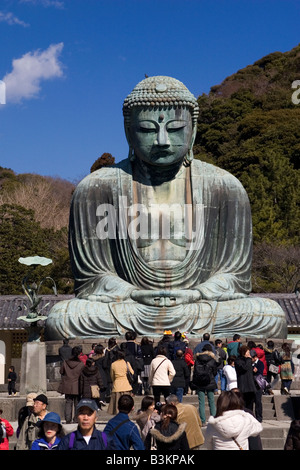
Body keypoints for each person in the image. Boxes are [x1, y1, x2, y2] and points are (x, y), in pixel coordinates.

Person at [44, 76, 287, 342]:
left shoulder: (225, 187)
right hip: (130, 306)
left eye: (175, 128)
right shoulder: (96, 188)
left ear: (192, 131)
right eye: (148, 130)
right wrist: (132, 293)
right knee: (64, 316)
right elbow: (92, 278)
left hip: (199, 305)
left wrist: (197, 293)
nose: (162, 140)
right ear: (129, 131)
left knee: (268, 315)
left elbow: (235, 277)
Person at [57, 345, 84, 424]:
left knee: (68, 402)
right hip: (77, 385)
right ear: (79, 354)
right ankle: (76, 418)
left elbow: (61, 372)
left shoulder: (65, 362)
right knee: (77, 403)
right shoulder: (81, 364)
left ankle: (68, 419)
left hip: (67, 385)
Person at [192, 343, 217, 425]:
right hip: (209, 381)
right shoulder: (212, 359)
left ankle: (203, 420)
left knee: (201, 402)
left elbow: (195, 371)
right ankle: (213, 418)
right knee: (211, 401)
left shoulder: (197, 359)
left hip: (200, 382)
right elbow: (215, 372)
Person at [107, 349, 134, 415]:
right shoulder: (126, 363)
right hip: (126, 385)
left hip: (117, 386)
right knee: (127, 405)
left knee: (117, 404)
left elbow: (112, 375)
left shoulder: (113, 364)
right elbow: (132, 372)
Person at [234, 345, 257, 412]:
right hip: (244, 386)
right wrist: (249, 359)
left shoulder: (248, 361)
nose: (249, 354)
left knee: (250, 406)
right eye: (248, 352)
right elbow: (244, 368)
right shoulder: (238, 361)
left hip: (250, 386)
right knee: (243, 406)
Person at [250, 350, 264, 423]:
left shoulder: (260, 363)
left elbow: (260, 373)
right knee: (251, 401)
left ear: (255, 357)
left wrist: (254, 371)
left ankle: (259, 417)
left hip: (258, 385)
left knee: (258, 401)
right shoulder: (250, 364)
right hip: (251, 385)